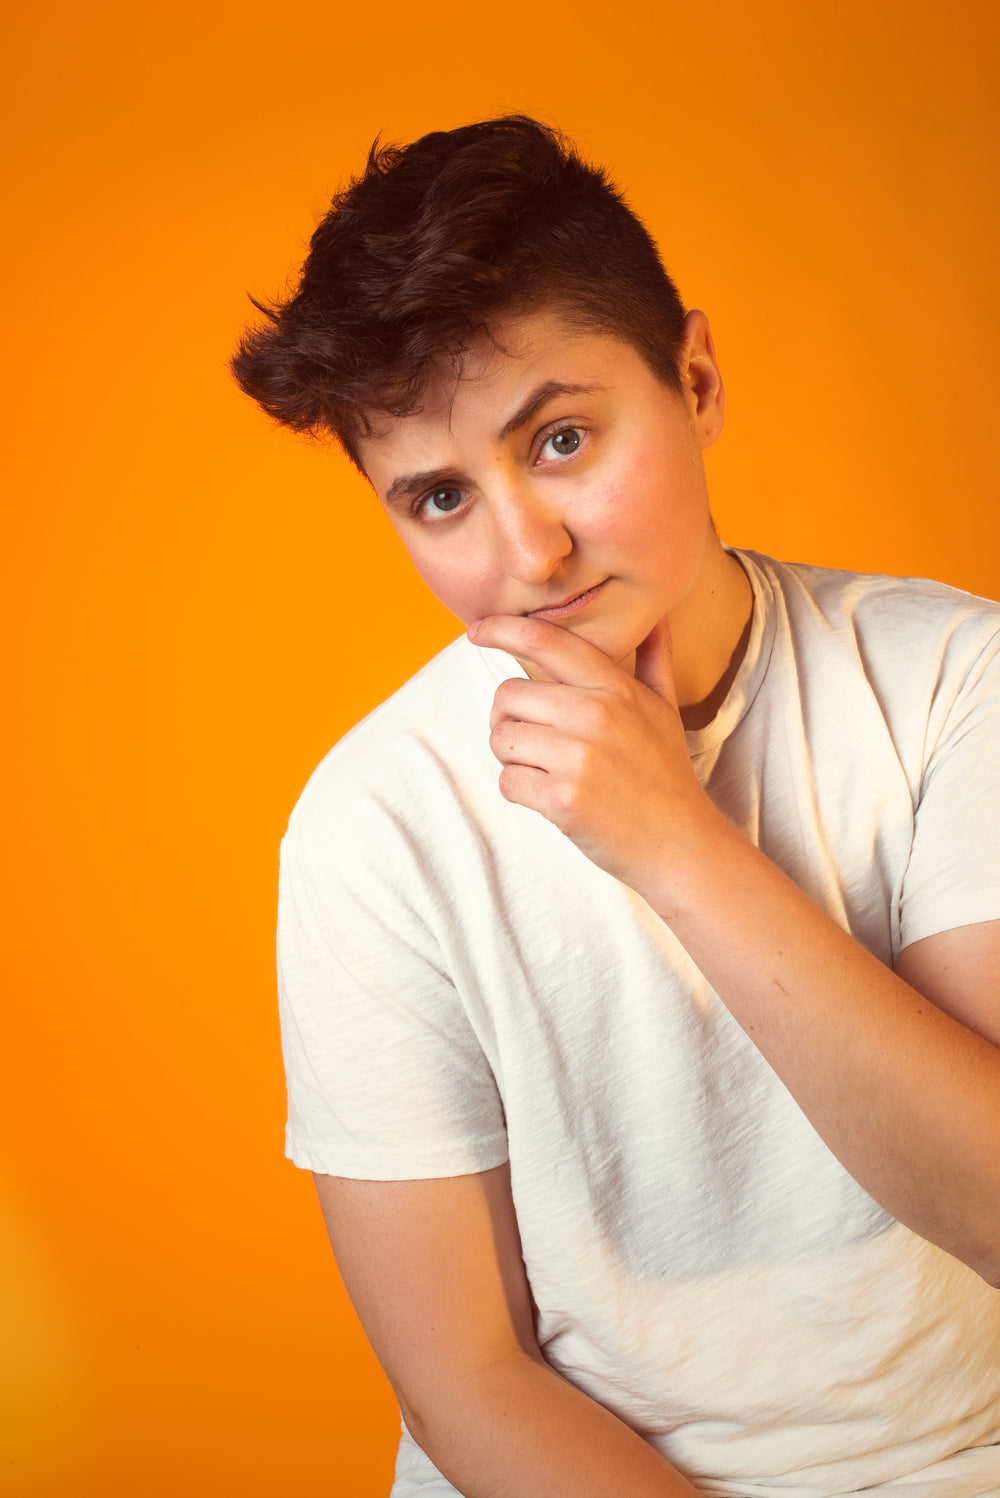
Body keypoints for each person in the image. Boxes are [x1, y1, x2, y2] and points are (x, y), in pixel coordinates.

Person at [231, 117, 1000, 1498]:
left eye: (566, 437)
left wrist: (676, 842)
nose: (527, 551)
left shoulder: (954, 680)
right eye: (441, 497)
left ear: (694, 379)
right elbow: (466, 1374)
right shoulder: (372, 824)